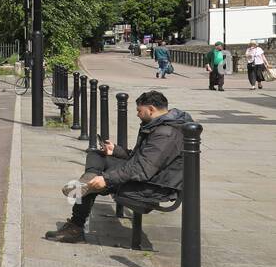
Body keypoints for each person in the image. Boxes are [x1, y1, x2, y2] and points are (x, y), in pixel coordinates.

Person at [45, 90, 192, 244]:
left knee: (97, 181)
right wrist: (115, 150)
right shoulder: (160, 125)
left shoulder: (165, 134)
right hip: (150, 176)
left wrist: (106, 179)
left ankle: (76, 227)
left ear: (151, 109)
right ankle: (86, 182)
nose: (137, 114)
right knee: (97, 155)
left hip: (153, 187)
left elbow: (142, 169)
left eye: (139, 111)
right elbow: (143, 159)